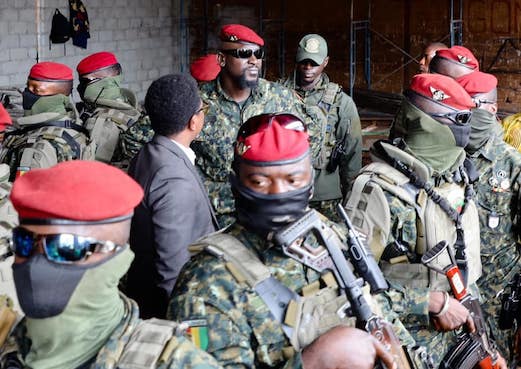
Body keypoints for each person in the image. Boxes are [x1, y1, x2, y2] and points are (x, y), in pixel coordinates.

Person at [168, 113, 429, 369]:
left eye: (293, 180)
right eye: (260, 181)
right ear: (236, 184)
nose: (279, 193)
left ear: (310, 183)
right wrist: (313, 361)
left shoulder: (331, 238)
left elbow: (378, 312)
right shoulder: (205, 282)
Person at [344, 73, 505, 367]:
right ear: (429, 124)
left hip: (461, 340)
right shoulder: (378, 190)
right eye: (461, 120)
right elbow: (348, 291)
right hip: (406, 345)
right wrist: (429, 303)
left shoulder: (458, 178)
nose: (469, 127)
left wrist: (487, 346)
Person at [0, 160, 223, 369]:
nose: (35, 263)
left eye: (66, 247)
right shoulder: (8, 343)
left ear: (117, 258)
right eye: (24, 242)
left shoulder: (177, 362)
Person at [194, 23, 327, 227]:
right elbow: (142, 144)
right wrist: (204, 188)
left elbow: (312, 136)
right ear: (221, 59)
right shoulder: (197, 102)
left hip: (268, 216)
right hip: (215, 220)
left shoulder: (279, 97)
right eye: (244, 53)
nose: (254, 61)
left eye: (259, 54)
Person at [126, 74, 219, 319]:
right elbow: (173, 268)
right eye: (202, 110)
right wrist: (192, 325)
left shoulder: (150, 153)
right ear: (194, 122)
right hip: (167, 310)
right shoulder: (173, 179)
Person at [455, 70, 521, 364]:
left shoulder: (511, 162)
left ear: (491, 109)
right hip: (456, 285)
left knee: (499, 359)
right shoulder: (450, 158)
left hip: (499, 289)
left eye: (471, 108)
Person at [281, 34, 362, 220]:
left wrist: (351, 195)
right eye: (304, 62)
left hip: (324, 195)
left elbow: (352, 151)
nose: (308, 68)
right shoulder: (278, 94)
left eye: (314, 63)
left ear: (325, 62)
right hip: (284, 191)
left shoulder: (341, 102)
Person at [0, 62, 95, 181]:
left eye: (35, 89)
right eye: (27, 87)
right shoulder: (74, 128)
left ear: (58, 96)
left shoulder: (36, 147)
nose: (26, 93)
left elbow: (24, 195)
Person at [76, 51, 153, 168]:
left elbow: (94, 170)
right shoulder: (132, 104)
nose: (80, 86)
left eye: (84, 81)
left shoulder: (101, 121)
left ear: (100, 82)